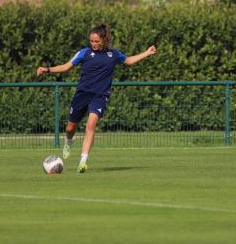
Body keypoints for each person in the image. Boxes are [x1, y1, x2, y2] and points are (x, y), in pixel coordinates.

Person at [37, 24, 157, 173]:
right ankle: (68, 141)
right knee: (70, 128)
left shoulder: (114, 54)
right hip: (82, 94)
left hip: (100, 96)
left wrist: (146, 53)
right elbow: (66, 66)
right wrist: (47, 70)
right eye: (91, 41)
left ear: (104, 39)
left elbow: (129, 61)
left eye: (96, 41)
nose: (93, 44)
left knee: (91, 125)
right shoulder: (84, 53)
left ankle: (83, 161)